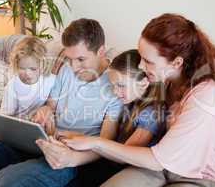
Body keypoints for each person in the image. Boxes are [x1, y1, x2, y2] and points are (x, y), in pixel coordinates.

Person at [0, 18, 122, 187]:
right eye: (70, 59)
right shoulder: (67, 69)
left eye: (81, 59)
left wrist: (72, 158)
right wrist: (45, 110)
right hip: (41, 140)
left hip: (71, 158)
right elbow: (51, 104)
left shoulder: (117, 84)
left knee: (7, 182)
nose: (73, 67)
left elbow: (105, 144)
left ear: (100, 51)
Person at [65, 13, 215, 187]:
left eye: (148, 61)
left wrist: (96, 142)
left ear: (176, 63)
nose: (140, 66)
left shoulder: (206, 96)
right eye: (141, 58)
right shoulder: (166, 81)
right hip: (162, 168)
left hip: (202, 177)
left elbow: (156, 159)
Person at [63, 49, 167, 187]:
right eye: (113, 86)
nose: (115, 92)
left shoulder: (151, 113)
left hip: (121, 168)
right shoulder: (129, 102)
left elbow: (124, 155)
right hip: (106, 163)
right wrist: (73, 136)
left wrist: (91, 142)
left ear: (143, 83)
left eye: (121, 85)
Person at [0, 36, 56, 119]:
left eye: (33, 69)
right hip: (17, 124)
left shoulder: (51, 80)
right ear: (16, 65)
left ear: (43, 65)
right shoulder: (13, 85)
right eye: (22, 68)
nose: (27, 74)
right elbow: (4, 117)